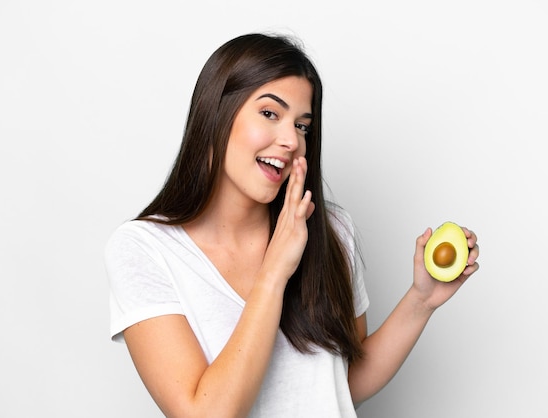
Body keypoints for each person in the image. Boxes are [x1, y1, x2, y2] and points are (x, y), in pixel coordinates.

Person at [105, 33, 480, 418]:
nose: (291, 141)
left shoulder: (330, 229)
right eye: (270, 114)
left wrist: (421, 301)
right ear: (216, 112)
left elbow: (341, 384)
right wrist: (274, 272)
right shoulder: (144, 249)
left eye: (303, 126)